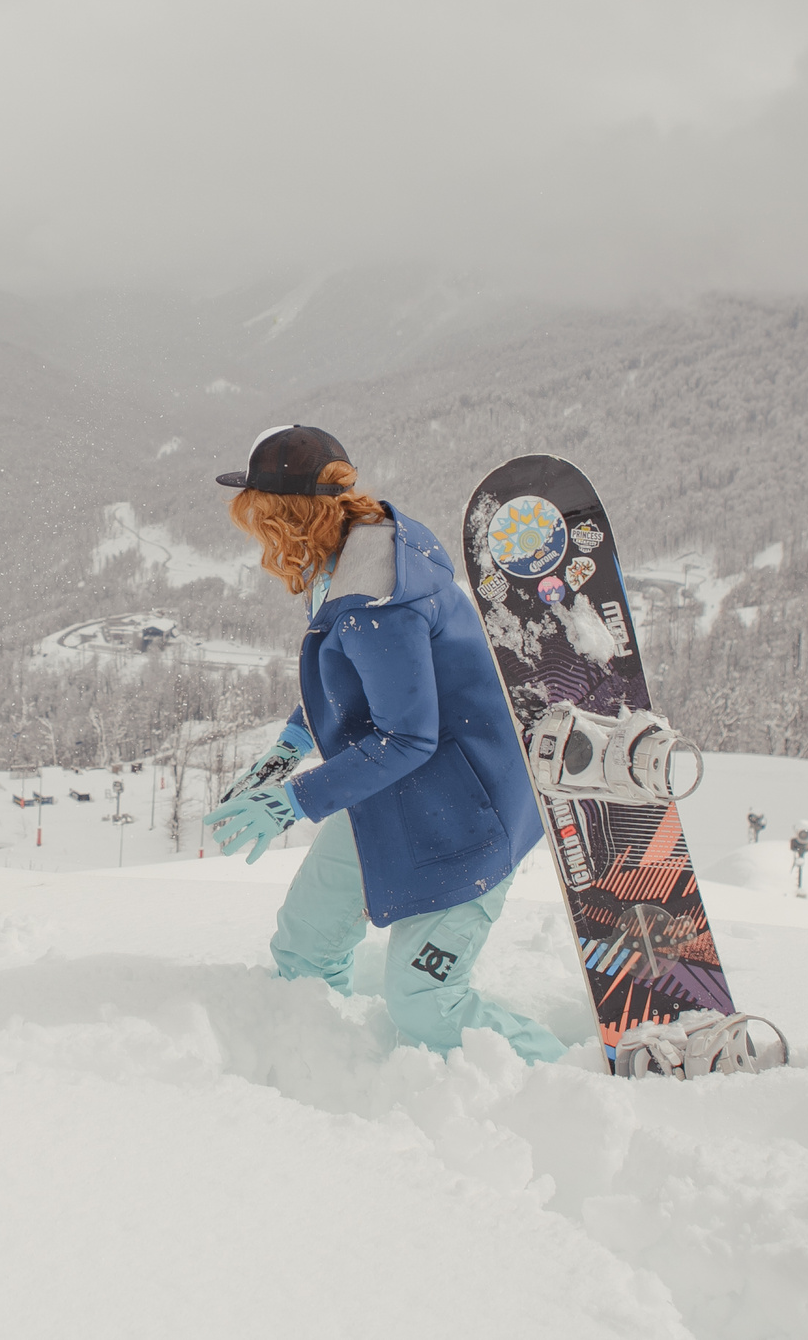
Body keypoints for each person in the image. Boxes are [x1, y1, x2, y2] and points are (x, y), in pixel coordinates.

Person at [201, 425, 565, 1064]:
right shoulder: (356, 555)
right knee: (305, 949)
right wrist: (291, 743)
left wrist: (293, 800)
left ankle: (570, 1083)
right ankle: (328, 1069)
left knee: (427, 1002)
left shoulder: (378, 602)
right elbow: (364, 685)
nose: (256, 538)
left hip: (467, 816)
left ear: (285, 521)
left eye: (258, 520)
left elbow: (406, 736)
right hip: (394, 793)